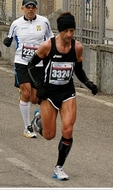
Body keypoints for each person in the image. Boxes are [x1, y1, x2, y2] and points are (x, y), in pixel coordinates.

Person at [27, 12, 98, 181]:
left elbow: (78, 70)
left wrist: (88, 83)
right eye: (66, 31)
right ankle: (38, 120)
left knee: (68, 129)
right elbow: (30, 66)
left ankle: (59, 167)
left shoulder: (77, 47)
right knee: (50, 135)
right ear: (60, 31)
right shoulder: (47, 46)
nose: (69, 34)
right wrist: (38, 86)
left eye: (72, 30)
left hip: (67, 93)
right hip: (49, 94)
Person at [3, 0, 54, 138]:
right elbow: (10, 38)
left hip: (38, 64)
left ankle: (37, 114)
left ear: (36, 8)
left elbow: (50, 38)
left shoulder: (44, 22)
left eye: (33, 7)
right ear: (22, 8)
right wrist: (7, 41)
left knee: (34, 98)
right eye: (27, 7)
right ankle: (27, 127)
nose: (30, 10)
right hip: (22, 63)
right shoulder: (16, 24)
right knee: (25, 94)